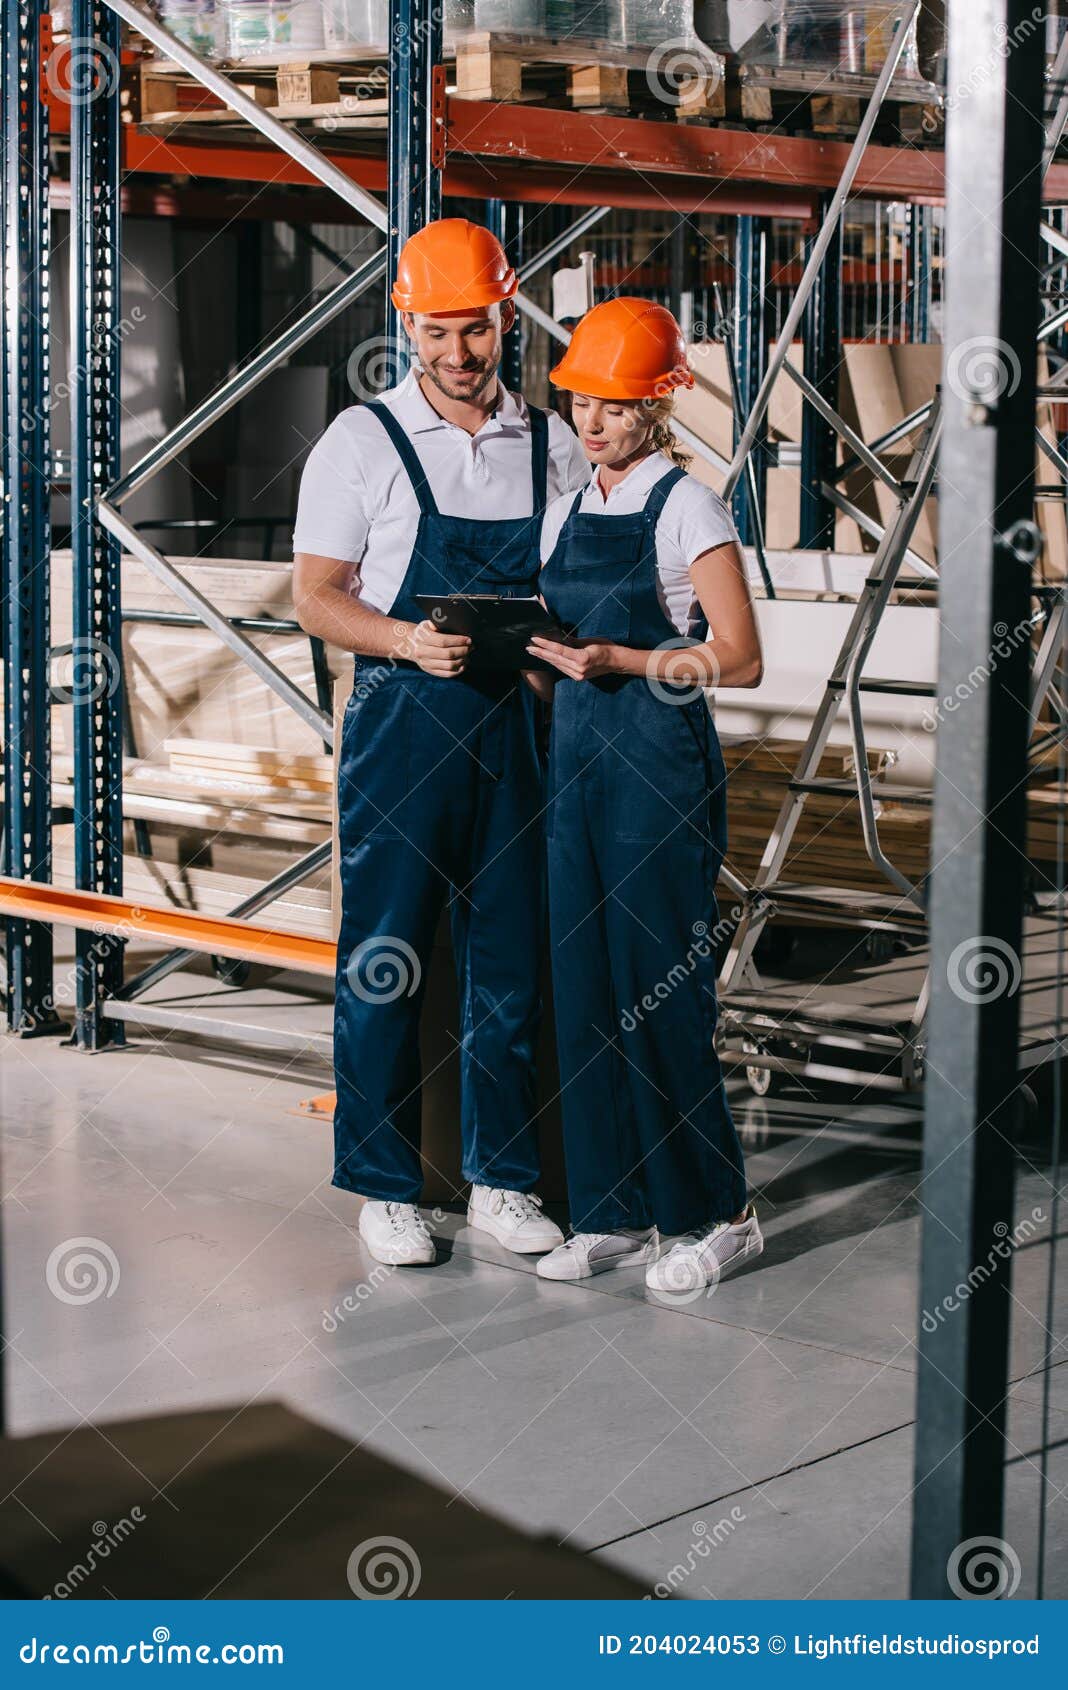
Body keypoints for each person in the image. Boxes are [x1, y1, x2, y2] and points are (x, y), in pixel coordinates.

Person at [292, 218, 588, 1267]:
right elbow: (316, 597)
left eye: (478, 332)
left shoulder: (551, 442)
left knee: (510, 959)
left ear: (508, 317)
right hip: (402, 730)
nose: (459, 356)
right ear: (405, 323)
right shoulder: (361, 443)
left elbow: (574, 582)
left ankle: (503, 1179)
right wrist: (406, 640)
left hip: (517, 728)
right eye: (438, 334)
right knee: (385, 956)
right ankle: (383, 1187)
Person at [526, 297, 766, 1295]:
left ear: (658, 408)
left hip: (658, 770)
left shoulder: (688, 508)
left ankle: (717, 1213)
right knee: (582, 989)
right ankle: (613, 1209)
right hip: (575, 766)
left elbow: (742, 659)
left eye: (618, 407)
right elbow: (553, 646)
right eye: (585, 400)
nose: (595, 421)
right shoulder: (566, 502)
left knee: (659, 995)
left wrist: (626, 657)